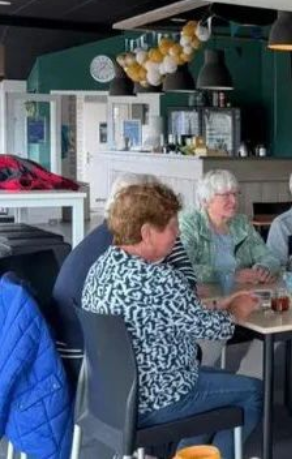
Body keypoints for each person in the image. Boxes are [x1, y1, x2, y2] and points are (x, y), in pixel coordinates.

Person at [81, 182, 263, 457]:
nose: (178, 234)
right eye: (172, 227)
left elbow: (175, 314)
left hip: (112, 395)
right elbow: (215, 328)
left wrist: (219, 304)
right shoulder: (160, 279)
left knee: (217, 383)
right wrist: (236, 310)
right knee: (252, 391)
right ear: (146, 232)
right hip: (159, 398)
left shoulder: (101, 266)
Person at [51, 172, 197, 386]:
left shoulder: (102, 238)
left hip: (74, 359)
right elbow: (187, 296)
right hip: (91, 366)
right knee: (191, 347)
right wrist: (170, 241)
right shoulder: (127, 248)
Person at [180, 169, 280, 285]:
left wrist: (263, 269)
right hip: (205, 295)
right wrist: (231, 275)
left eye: (235, 194)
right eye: (226, 195)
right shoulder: (190, 223)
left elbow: (269, 257)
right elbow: (183, 268)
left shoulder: (241, 223)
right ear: (205, 200)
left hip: (243, 292)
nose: (233, 201)